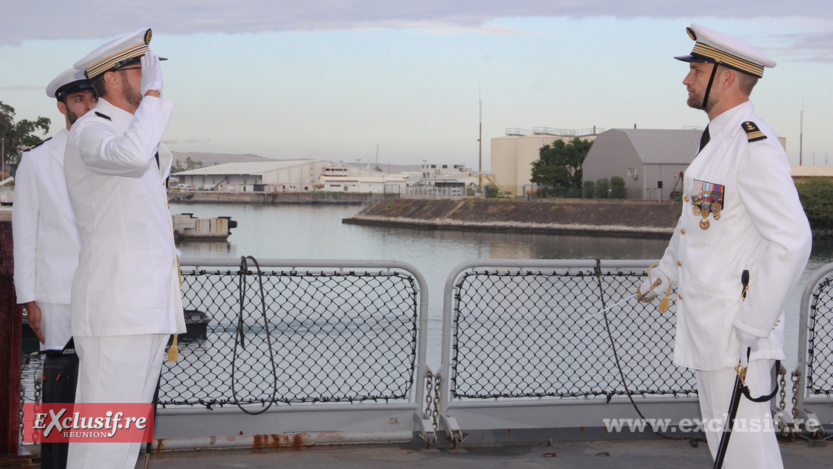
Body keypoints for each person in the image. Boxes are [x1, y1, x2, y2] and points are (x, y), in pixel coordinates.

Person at [637, 24, 812, 468]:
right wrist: (667, 272)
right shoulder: (719, 142)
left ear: (726, 78)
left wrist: (754, 325)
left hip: (737, 335)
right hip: (712, 327)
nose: (686, 79)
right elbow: (696, 223)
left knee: (748, 454)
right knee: (727, 447)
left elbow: (793, 239)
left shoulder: (753, 144)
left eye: (696, 70)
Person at [63, 28, 186, 469]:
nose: (153, 78)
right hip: (118, 306)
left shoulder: (137, 137)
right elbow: (130, 158)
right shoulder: (91, 132)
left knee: (124, 435)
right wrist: (152, 96)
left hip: (146, 304)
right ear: (113, 79)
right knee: (103, 433)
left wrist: (148, 100)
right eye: (142, 69)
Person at [13, 68, 96, 351]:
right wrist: (28, 299)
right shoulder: (36, 161)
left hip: (106, 288)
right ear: (62, 106)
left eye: (94, 98)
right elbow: (24, 235)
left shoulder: (112, 155)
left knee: (104, 381)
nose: (89, 107)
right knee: (60, 379)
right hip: (58, 293)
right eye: (79, 99)